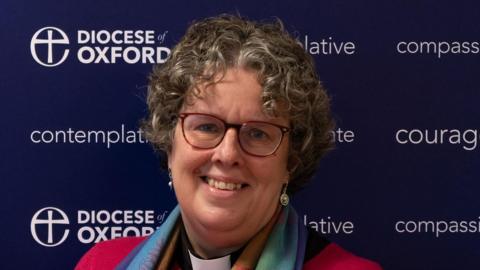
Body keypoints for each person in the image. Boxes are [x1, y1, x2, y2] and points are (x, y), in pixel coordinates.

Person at [76, 14, 382, 270]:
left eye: (258, 133)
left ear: (291, 161)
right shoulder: (103, 263)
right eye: (207, 127)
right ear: (170, 145)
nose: (227, 154)